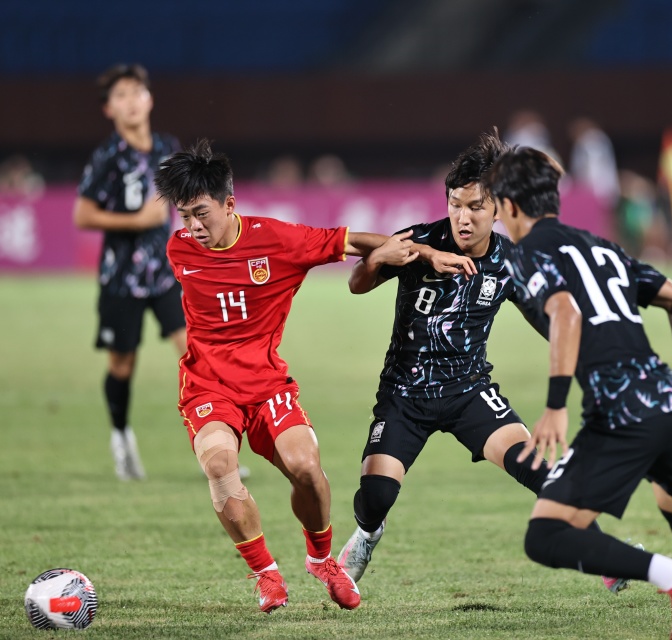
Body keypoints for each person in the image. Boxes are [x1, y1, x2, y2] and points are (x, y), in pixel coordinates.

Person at [483, 147, 672, 640]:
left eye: (495, 206)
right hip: (667, 402)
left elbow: (565, 312)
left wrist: (555, 405)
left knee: (546, 535)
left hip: (620, 413)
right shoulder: (603, 246)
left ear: (510, 206)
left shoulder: (527, 251)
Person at [155, 139, 463, 614]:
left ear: (229, 204)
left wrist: (425, 253)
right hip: (208, 388)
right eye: (184, 216)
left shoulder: (276, 239)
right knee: (219, 466)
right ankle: (265, 573)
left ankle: (321, 560)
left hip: (267, 385)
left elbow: (352, 241)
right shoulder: (179, 249)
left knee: (307, 469)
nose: (193, 227)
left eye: (201, 213)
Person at [336, 132, 628, 594]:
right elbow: (357, 283)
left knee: (535, 467)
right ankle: (368, 534)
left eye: (475, 207)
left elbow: (547, 321)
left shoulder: (511, 261)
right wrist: (377, 260)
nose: (463, 217)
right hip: (404, 395)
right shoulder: (421, 240)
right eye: (455, 204)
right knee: (376, 496)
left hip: (468, 391)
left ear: (498, 210)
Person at [72, 63, 186, 481]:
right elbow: (83, 214)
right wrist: (135, 221)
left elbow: (185, 199)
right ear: (109, 109)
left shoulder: (168, 148)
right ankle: (121, 437)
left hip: (167, 275)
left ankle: (215, 447)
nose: (131, 101)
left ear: (150, 99)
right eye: (120, 95)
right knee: (122, 365)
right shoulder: (108, 157)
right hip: (121, 278)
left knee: (196, 356)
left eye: (137, 92)